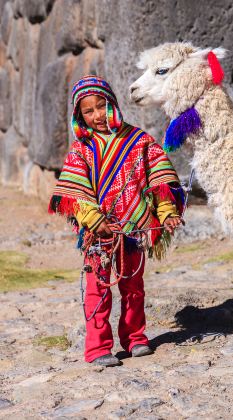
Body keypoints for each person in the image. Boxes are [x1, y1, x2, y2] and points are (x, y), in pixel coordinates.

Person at [49, 75, 185, 367]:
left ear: (112, 103)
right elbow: (75, 192)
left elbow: (158, 180)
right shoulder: (81, 150)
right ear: (79, 115)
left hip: (135, 230)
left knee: (133, 286)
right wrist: (93, 219)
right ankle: (97, 347)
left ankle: (135, 338)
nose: (97, 115)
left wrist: (167, 213)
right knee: (97, 289)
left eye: (102, 105)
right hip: (100, 235)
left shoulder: (139, 141)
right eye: (89, 111)